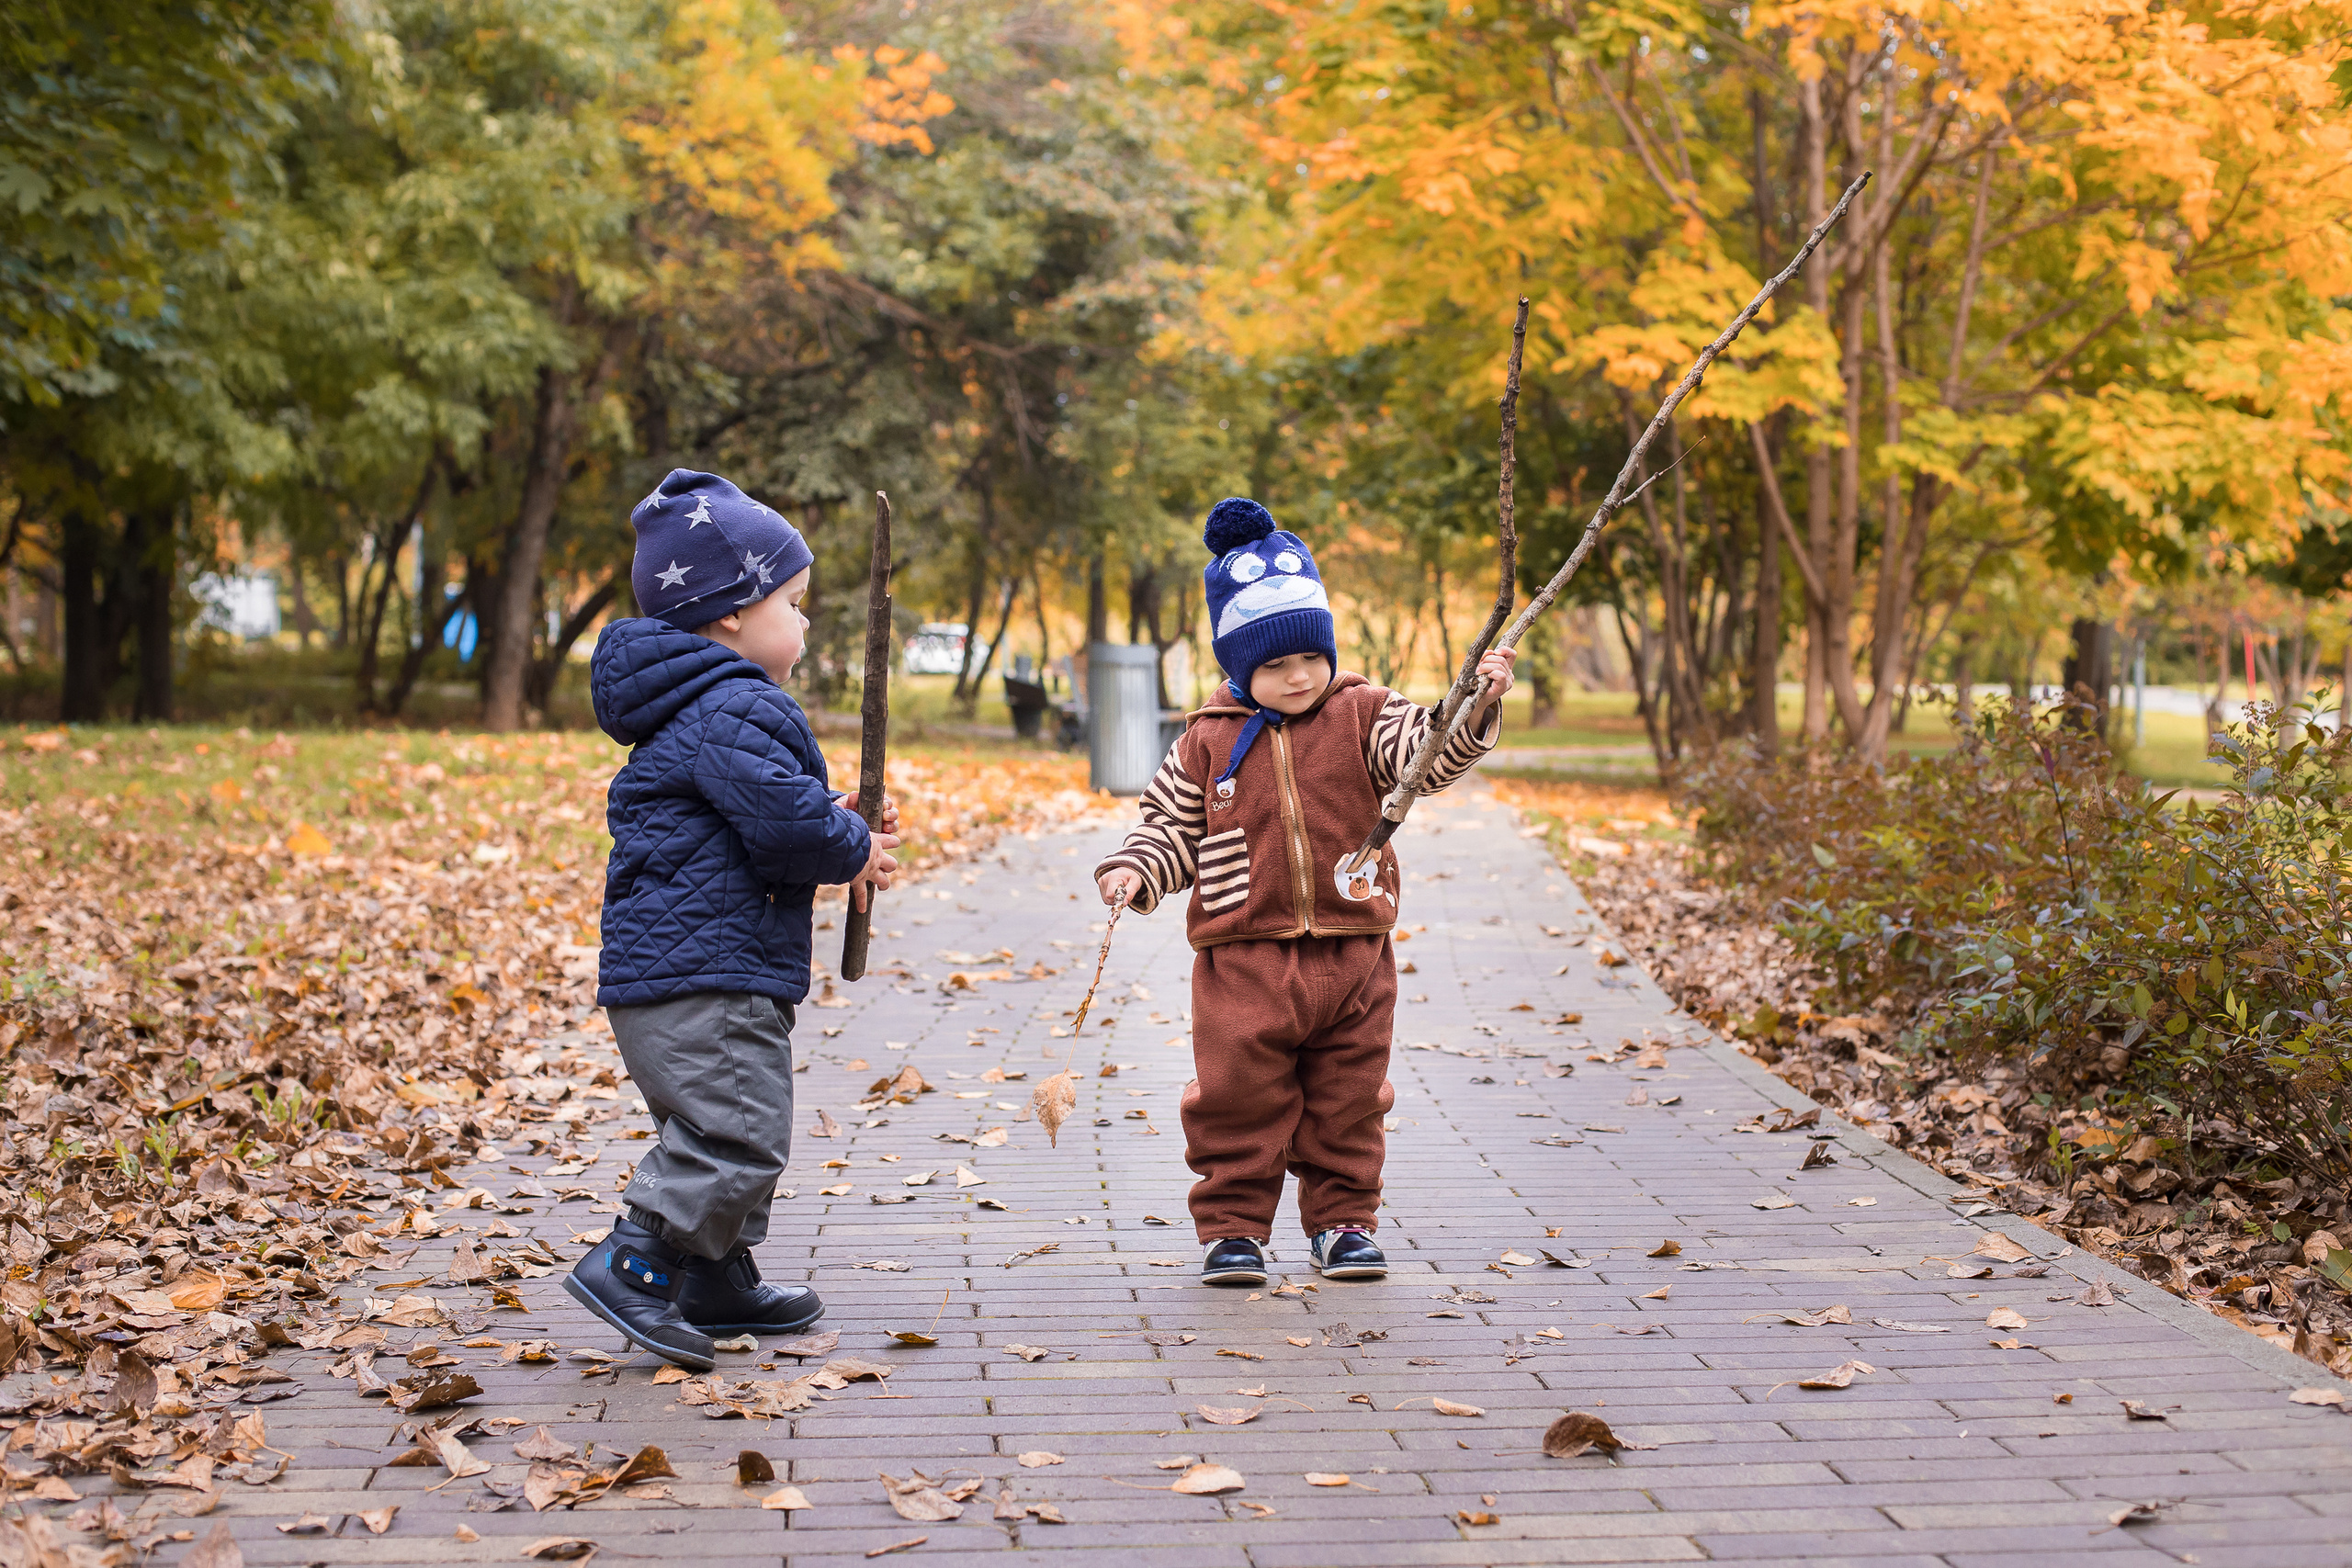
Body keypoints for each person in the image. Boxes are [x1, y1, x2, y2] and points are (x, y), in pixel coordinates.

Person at [1094, 498, 1515, 1286]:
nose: (1298, 676)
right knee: (1236, 1098)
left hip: (1354, 953)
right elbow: (1169, 825)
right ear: (1239, 665)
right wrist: (1136, 870)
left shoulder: (1363, 713)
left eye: (1310, 657)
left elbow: (1424, 752)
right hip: (1243, 959)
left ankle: (1343, 1222)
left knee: (1350, 1097)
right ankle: (1233, 1230)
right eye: (1276, 664)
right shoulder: (1207, 738)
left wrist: (1475, 702)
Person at [569, 469, 899, 1370]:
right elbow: (787, 830)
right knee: (739, 1131)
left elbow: (759, 813)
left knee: (731, 1121)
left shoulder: (697, 709)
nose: (804, 622)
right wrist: (848, 843)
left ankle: (713, 1278)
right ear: (731, 614)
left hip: (682, 973)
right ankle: (635, 1264)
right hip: (705, 977)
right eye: (792, 602)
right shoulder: (736, 704)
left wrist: (831, 818)